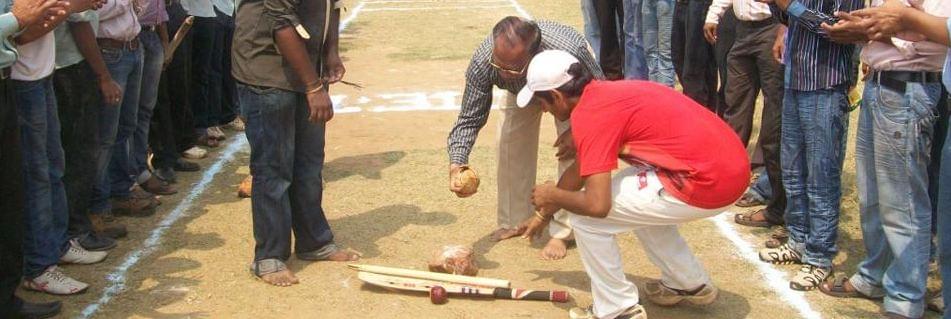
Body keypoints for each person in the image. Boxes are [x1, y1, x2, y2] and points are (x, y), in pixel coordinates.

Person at [518, 50, 750, 319]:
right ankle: (688, 282)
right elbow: (580, 169)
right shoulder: (602, 94)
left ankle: (617, 309)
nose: (543, 109)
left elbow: (597, 205)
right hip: (730, 167)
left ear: (556, 96)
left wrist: (553, 195)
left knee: (586, 219)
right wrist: (543, 214)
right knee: (635, 199)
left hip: (710, 180)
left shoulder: (591, 115)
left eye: (542, 102)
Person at [813, 2, 949, 318]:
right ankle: (875, 275)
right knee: (873, 195)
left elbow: (939, 33)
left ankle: (905, 296)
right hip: (882, 84)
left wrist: (875, 30)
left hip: (910, 88)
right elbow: (891, 23)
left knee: (903, 202)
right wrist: (866, 30)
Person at [446, 16, 604, 260]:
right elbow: (469, 117)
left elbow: (600, 92)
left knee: (573, 152)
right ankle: (514, 220)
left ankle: (562, 232)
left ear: (533, 55)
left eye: (511, 68)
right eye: (498, 65)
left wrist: (576, 129)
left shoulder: (569, 51)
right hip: (520, 92)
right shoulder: (485, 61)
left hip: (567, 90)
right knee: (509, 143)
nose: (503, 72)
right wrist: (457, 163)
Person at [233, 0, 360, 287]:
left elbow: (332, 5)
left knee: (309, 163)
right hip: (268, 71)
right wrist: (313, 87)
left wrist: (330, 53)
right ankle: (269, 255)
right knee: (273, 167)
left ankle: (314, 241)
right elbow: (281, 23)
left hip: (307, 67)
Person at [756, 0, 863, 291]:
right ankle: (798, 240)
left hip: (825, 84)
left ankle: (819, 257)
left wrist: (788, 4)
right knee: (793, 172)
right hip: (795, 78)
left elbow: (836, 28)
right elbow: (788, 18)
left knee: (821, 177)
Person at [1, 0, 72, 315]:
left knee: (20, 185)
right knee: (35, 176)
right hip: (22, 80)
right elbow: (21, 33)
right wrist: (16, 20)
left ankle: (9, 296)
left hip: (11, 79)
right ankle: (39, 265)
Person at [704, 0, 786, 231]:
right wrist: (714, 14)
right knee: (735, 109)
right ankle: (729, 180)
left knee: (774, 120)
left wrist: (784, 29)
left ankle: (776, 201)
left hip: (772, 28)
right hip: (742, 31)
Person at [53, 0, 129, 250]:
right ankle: (77, 231)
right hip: (70, 66)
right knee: (79, 155)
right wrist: (104, 76)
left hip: (69, 64)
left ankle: (79, 225)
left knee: (79, 154)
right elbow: (80, 24)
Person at [672, 0, 719, 110]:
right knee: (678, 59)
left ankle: (700, 112)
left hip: (700, 4)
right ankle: (703, 110)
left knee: (695, 70)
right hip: (681, 4)